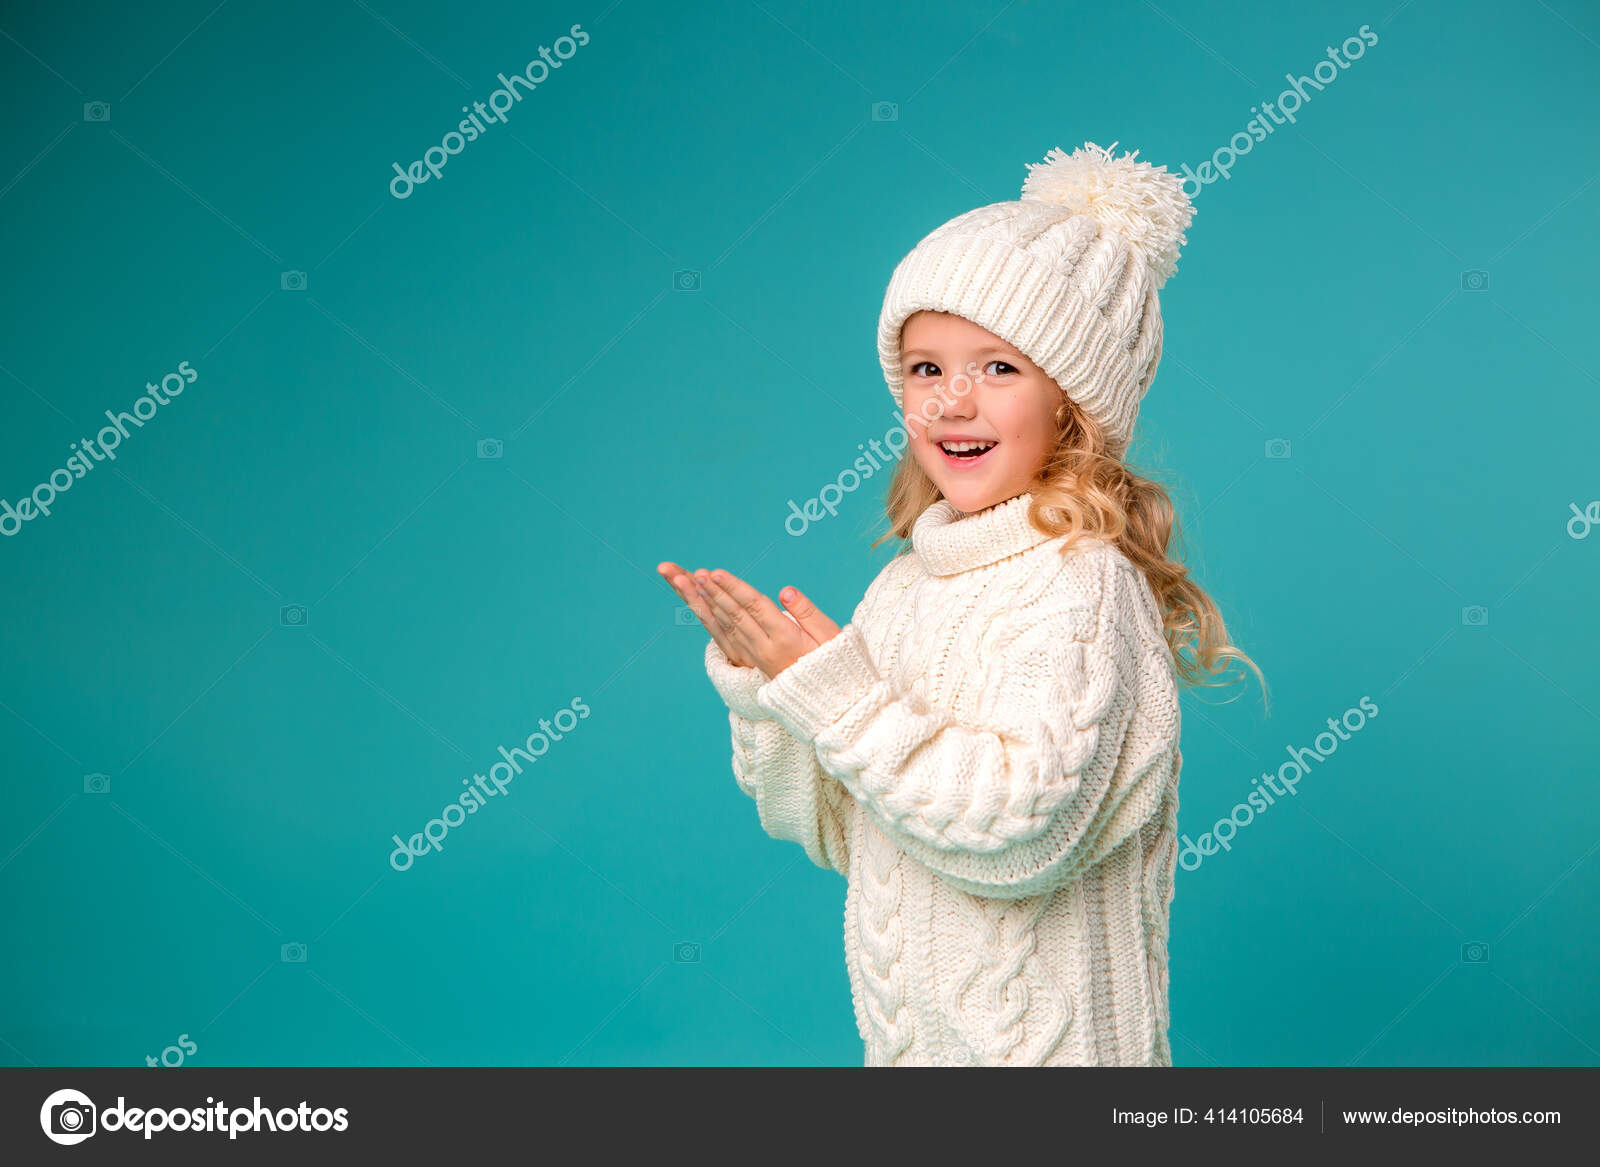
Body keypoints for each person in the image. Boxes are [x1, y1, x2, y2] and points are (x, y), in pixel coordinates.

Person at [659, 141, 1262, 1067]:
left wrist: (838, 696)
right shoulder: (907, 585)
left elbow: (1017, 840)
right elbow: (832, 829)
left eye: (999, 368)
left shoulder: (1079, 582)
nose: (951, 402)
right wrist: (773, 687)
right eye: (927, 369)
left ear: (1074, 406)